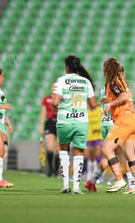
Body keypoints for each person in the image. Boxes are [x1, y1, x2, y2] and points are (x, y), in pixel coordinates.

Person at [52, 55, 97, 194]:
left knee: (64, 150)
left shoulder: (61, 81)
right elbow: (94, 105)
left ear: (66, 67)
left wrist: (56, 105)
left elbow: (54, 102)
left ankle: (66, 184)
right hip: (81, 122)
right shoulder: (86, 82)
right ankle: (76, 187)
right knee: (79, 152)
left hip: (65, 120)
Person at [101, 58, 135, 193]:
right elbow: (124, 97)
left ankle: (119, 179)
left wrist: (110, 104)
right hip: (132, 119)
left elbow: (124, 97)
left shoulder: (113, 81)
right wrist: (110, 100)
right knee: (130, 154)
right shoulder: (122, 82)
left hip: (124, 120)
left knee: (107, 149)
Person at [39, 82, 60, 177]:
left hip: (59, 122)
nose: (54, 88)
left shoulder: (60, 98)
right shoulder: (46, 99)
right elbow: (43, 113)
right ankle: (50, 169)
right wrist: (40, 126)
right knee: (50, 147)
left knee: (58, 149)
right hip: (50, 122)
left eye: (56, 87)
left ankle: (56, 171)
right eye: (53, 86)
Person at [85, 105, 103, 181]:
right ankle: (87, 172)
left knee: (98, 155)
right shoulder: (85, 111)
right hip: (88, 136)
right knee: (86, 156)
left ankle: (99, 174)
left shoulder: (99, 110)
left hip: (97, 135)